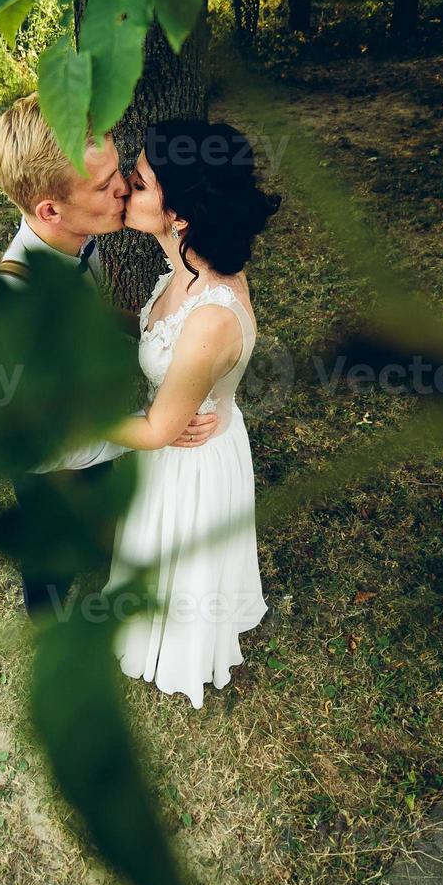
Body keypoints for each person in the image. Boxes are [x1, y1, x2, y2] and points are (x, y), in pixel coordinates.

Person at [0, 94, 218, 616]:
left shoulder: (76, 241)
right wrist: (154, 428)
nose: (124, 188)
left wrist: (152, 330)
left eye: (118, 171)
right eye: (103, 185)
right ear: (49, 210)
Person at [98, 119, 280, 708]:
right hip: (186, 435)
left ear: (178, 214)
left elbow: (158, 429)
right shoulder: (190, 265)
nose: (126, 184)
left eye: (143, 181)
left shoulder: (211, 317)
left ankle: (178, 647)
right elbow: (157, 332)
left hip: (187, 454)